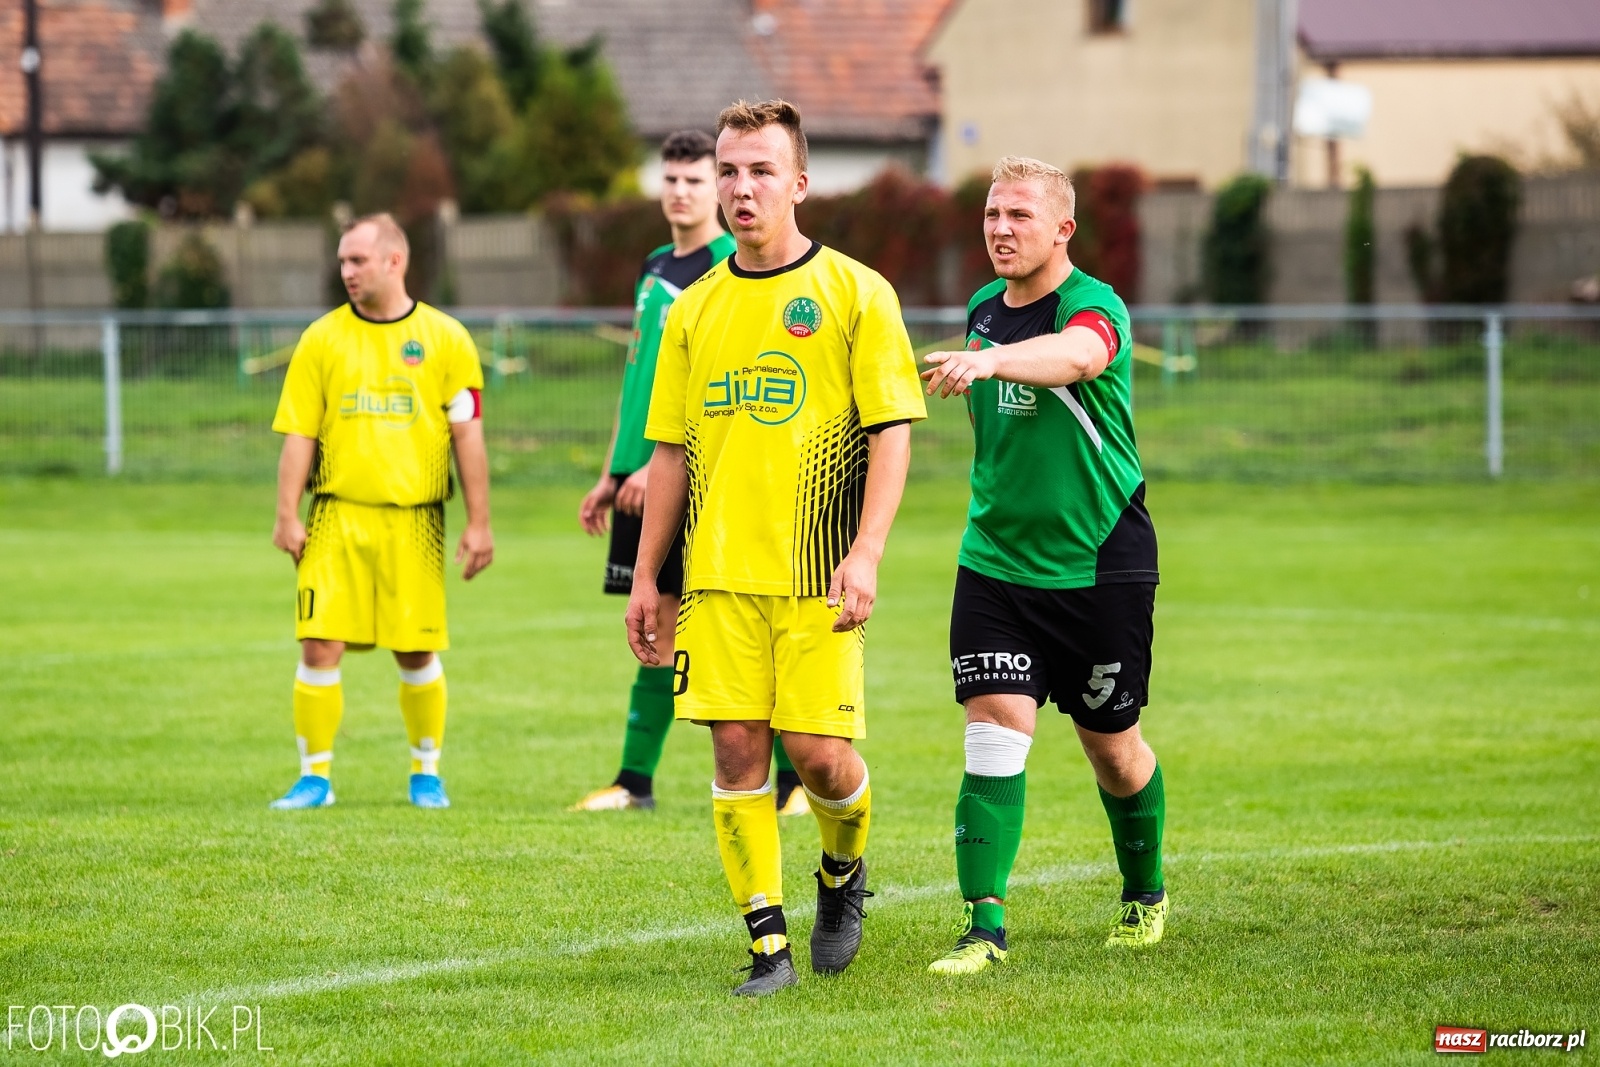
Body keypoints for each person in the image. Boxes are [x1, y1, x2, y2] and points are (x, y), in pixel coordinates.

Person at [625, 100, 926, 996]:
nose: (739, 187)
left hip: (814, 572)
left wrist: (866, 549)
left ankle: (842, 870)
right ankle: (768, 946)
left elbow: (892, 431)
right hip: (717, 579)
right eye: (728, 170)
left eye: (760, 170)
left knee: (819, 754)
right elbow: (669, 455)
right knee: (733, 752)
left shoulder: (856, 293)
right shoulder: (694, 311)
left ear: (800, 182)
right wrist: (649, 575)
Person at [920, 157, 1167, 975]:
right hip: (993, 563)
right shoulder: (983, 308)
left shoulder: (1095, 308)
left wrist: (988, 362)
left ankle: (1145, 892)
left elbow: (1077, 357)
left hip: (1098, 564)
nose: (1000, 228)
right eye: (992, 213)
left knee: (1114, 748)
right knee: (993, 737)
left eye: (1019, 215)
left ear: (1062, 229)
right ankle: (982, 929)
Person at [571, 130, 807, 815]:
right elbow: (638, 376)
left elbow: (715, 384)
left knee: (729, 623)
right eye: (670, 180)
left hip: (687, 473)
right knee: (653, 626)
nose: (681, 192)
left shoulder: (725, 268)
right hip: (640, 471)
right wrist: (614, 470)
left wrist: (655, 461)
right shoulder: (653, 267)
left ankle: (790, 782)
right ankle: (634, 781)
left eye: (695, 181)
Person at [268, 212, 493, 811]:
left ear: (395, 261)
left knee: (416, 650)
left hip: (416, 521)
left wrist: (480, 522)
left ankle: (427, 774)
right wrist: (287, 513)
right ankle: (313, 778)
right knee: (319, 643)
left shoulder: (446, 339)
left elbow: (468, 434)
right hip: (333, 516)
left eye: (357, 260)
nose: (346, 271)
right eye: (342, 261)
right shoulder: (322, 338)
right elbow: (299, 433)